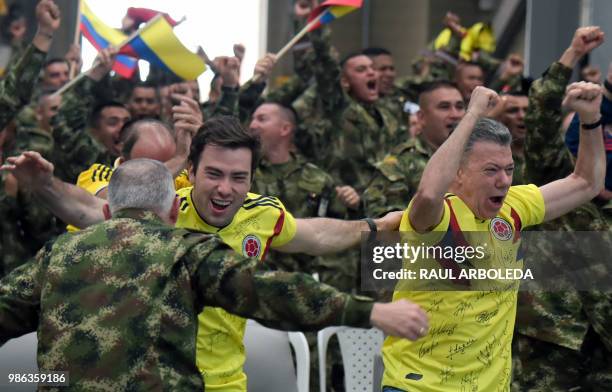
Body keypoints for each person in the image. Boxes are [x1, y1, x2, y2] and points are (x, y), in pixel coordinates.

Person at [4, 116, 403, 392]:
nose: (225, 188)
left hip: (227, 382)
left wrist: (375, 226)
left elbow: (314, 236)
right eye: (214, 174)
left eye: (238, 177)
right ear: (190, 172)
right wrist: (45, 186)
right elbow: (89, 210)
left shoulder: (263, 214)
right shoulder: (162, 214)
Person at [381, 83, 605, 391]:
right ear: (457, 173)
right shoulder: (436, 218)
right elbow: (429, 191)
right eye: (490, 171)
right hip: (418, 386)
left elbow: (587, 183)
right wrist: (472, 113)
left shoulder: (513, 208)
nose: (503, 181)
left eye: (509, 169)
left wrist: (590, 118)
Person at [362, 81, 465, 217]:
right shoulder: (400, 163)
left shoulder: (478, 156)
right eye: (444, 107)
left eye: (460, 107)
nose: (455, 114)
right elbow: (383, 220)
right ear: (421, 118)